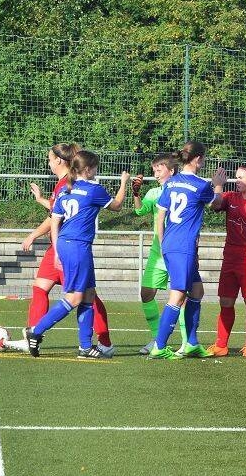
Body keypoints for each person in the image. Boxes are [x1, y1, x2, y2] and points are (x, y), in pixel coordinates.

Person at [24, 151, 129, 357]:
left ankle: (85, 347)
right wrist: (123, 182)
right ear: (88, 169)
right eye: (95, 167)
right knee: (74, 298)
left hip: (66, 244)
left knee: (88, 295)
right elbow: (117, 206)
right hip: (78, 246)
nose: (97, 171)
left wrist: (57, 251)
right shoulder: (93, 189)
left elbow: (55, 222)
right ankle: (36, 331)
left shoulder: (65, 190)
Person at [149, 141, 226, 359]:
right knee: (178, 295)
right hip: (184, 246)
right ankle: (159, 346)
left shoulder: (171, 183)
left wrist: (163, 244)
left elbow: (161, 216)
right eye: (204, 158)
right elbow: (217, 204)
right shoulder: (201, 185)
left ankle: (191, 343)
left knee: (197, 291)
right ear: (198, 159)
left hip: (171, 244)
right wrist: (218, 184)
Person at [131, 153, 187, 354]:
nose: (155, 173)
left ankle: (187, 342)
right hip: (158, 251)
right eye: (154, 170)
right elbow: (140, 211)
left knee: (182, 297)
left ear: (171, 171)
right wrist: (136, 194)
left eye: (159, 169)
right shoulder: (154, 192)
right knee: (146, 293)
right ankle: (157, 338)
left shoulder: (183, 190)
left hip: (178, 250)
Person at [208, 165, 246, 357]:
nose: (237, 181)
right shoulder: (231, 197)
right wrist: (218, 186)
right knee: (225, 301)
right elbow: (214, 205)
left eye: (241, 178)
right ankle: (221, 345)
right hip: (231, 257)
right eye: (236, 177)